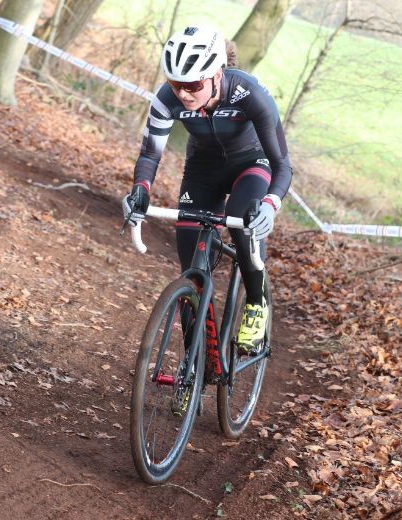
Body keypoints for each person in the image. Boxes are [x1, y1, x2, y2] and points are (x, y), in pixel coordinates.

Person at [122, 25, 292, 354]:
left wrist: (271, 203)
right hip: (203, 170)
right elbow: (149, 154)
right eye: (176, 83)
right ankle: (193, 367)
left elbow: (283, 164)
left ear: (216, 74)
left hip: (252, 163)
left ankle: (256, 303)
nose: (184, 94)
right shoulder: (166, 98)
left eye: (193, 84)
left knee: (241, 219)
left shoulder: (249, 93)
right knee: (192, 275)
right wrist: (140, 190)